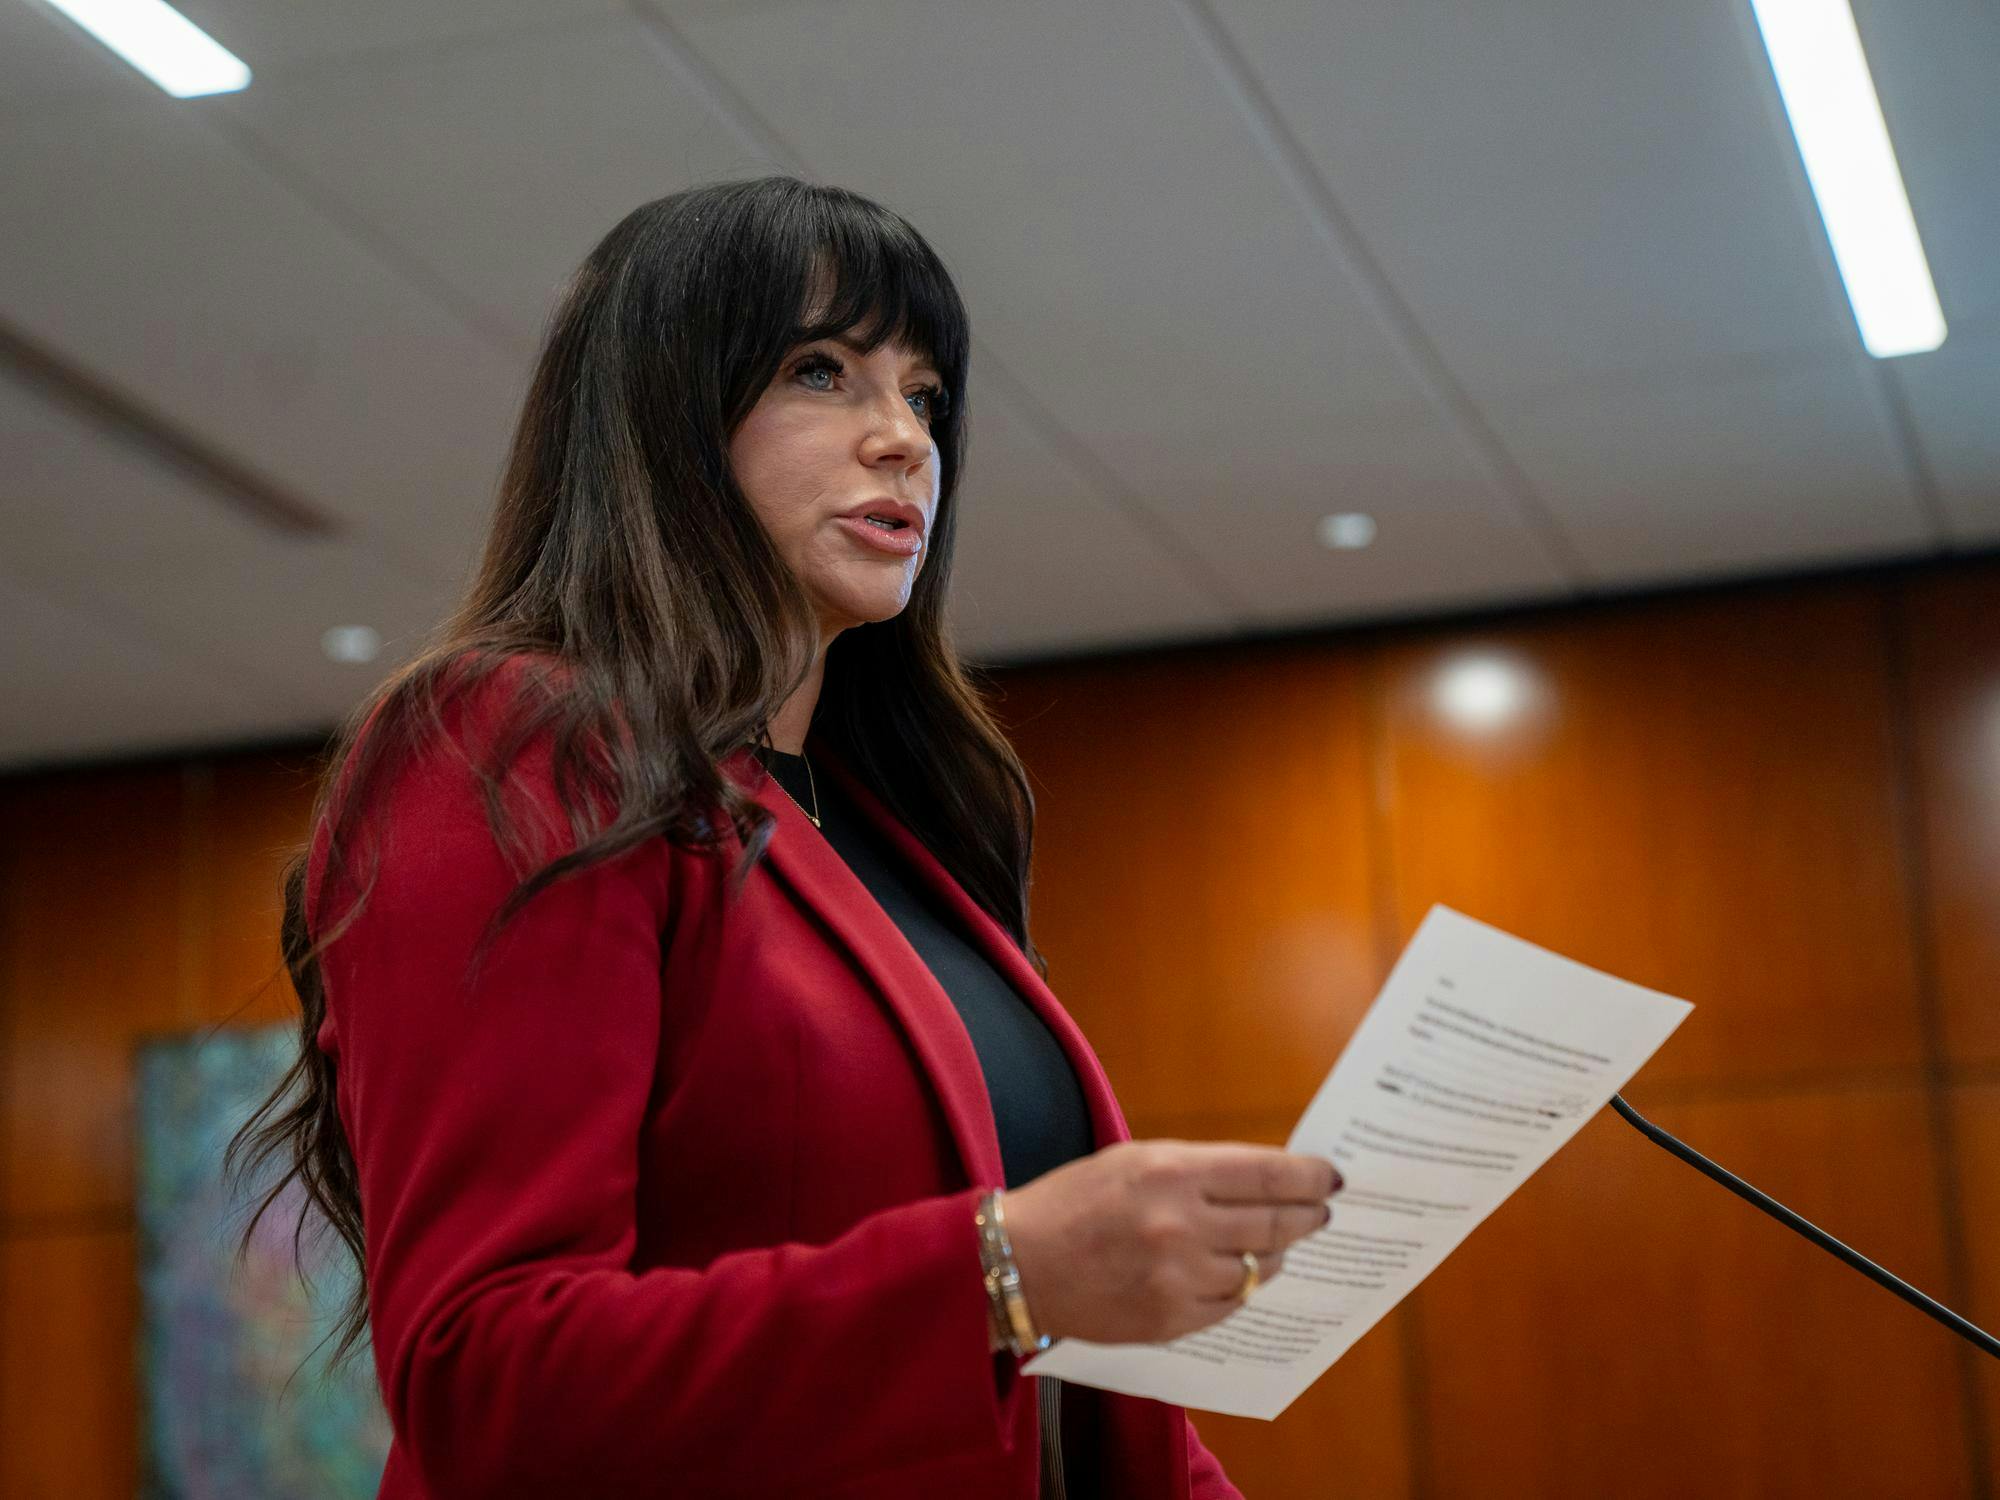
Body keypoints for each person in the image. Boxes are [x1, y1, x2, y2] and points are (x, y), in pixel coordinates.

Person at [227, 175, 1344, 1498]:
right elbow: (486, 1375)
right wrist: (1002, 1273)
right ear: (664, 419)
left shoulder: (889, 825)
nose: (904, 440)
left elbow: (1078, 1427)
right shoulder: (517, 739)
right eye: (824, 372)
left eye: (925, 396)